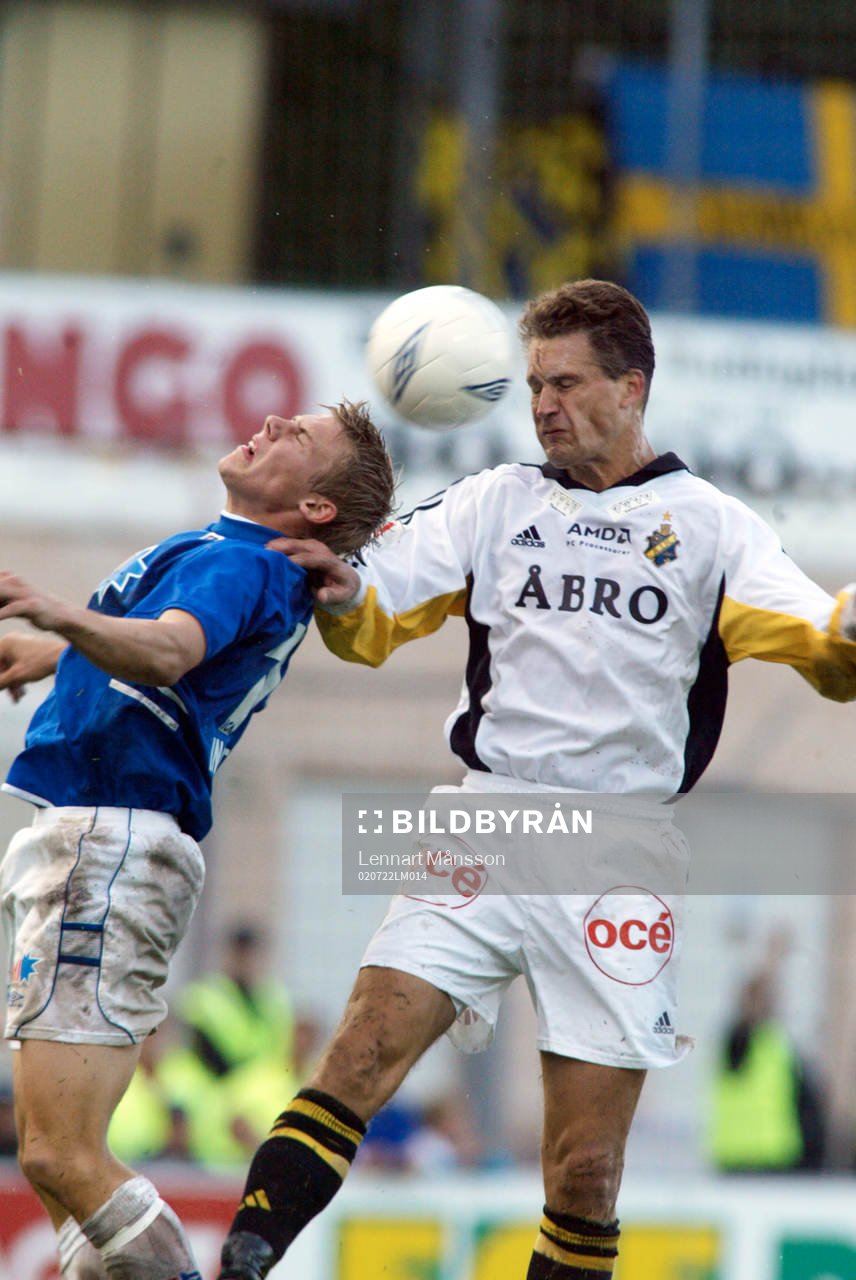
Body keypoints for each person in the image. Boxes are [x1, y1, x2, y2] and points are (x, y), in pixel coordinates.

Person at [215, 280, 856, 1280]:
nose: (543, 402)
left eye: (565, 383)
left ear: (630, 387)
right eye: (533, 383)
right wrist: (342, 591)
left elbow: (822, 648)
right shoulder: (493, 501)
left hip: (621, 848)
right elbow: (374, 611)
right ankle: (238, 1264)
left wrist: (846, 623)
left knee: (586, 1167)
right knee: (357, 1060)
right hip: (487, 819)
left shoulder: (713, 527)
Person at [0, 402, 394, 1280]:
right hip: (107, 840)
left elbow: (171, 652)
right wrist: (51, 655)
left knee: (63, 1158)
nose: (272, 420)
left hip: (105, 845)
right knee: (57, 1164)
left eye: (299, 436)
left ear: (318, 509)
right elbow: (163, 662)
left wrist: (59, 615)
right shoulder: (232, 558)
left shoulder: (237, 563)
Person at [708, 925, 826, 1173]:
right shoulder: (738, 1039)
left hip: (779, 1160)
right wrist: (773, 960)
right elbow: (755, 1000)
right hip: (743, 1162)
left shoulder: (776, 1043)